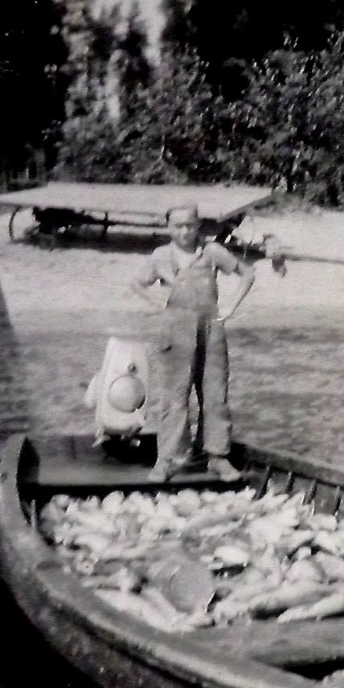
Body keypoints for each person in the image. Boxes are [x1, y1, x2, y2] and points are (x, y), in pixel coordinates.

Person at [132, 205, 255, 483]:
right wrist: (159, 303)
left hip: (211, 328)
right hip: (174, 330)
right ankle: (168, 459)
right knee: (173, 398)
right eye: (178, 226)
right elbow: (137, 283)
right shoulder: (160, 256)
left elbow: (247, 274)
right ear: (168, 227)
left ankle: (217, 457)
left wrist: (231, 307)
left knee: (215, 395)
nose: (184, 231)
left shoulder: (212, 252)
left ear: (199, 225)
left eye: (189, 225)